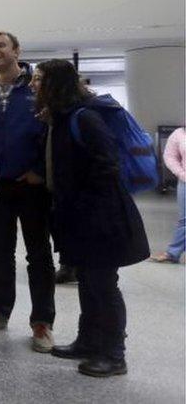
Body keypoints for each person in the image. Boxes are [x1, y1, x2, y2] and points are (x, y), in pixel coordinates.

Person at [36, 59, 149, 377]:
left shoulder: (85, 118)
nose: (34, 84)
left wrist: (84, 204)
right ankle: (88, 341)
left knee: (103, 284)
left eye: (39, 79)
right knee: (87, 281)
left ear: (55, 84)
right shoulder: (62, 117)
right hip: (81, 218)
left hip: (101, 219)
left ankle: (114, 354)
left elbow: (107, 165)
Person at [0, 31, 56, 352]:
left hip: (32, 185)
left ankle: (42, 322)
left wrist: (41, 171)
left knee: (38, 254)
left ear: (17, 51)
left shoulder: (38, 88)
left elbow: (51, 131)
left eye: (0, 46)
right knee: (0, 253)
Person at [151, 126, 185, 264]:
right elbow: (169, 157)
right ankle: (173, 253)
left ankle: (172, 253)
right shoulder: (179, 134)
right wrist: (181, 174)